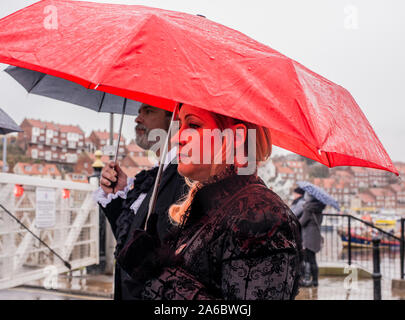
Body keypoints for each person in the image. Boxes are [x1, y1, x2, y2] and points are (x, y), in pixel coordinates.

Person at [115, 104, 303, 300]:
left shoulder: (260, 216)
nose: (176, 138)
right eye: (180, 125)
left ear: (235, 138)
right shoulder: (209, 208)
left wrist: (155, 274)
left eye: (193, 125)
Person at [93, 103, 188, 300]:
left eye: (149, 111)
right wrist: (117, 197)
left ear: (173, 119)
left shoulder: (183, 177)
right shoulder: (154, 175)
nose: (137, 119)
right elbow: (133, 241)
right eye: (138, 112)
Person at [298, 192, 326, 287]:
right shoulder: (319, 208)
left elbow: (302, 222)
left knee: (309, 259)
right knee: (313, 259)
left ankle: (312, 281)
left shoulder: (308, 209)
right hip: (315, 236)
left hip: (308, 237)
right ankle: (315, 281)